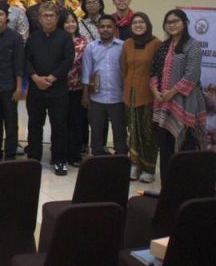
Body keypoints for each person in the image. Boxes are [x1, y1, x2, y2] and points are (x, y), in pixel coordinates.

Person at [151, 9, 207, 182]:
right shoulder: (164, 46)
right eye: (168, 22)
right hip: (163, 104)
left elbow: (192, 75)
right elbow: (154, 70)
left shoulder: (192, 45)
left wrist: (172, 92)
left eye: (175, 21)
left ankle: (183, 184)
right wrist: (155, 90)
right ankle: (167, 184)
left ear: (185, 23)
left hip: (185, 102)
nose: (172, 25)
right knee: (165, 146)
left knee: (185, 145)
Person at [24, 2, 74, 176]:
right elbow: (26, 60)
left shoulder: (65, 37)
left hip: (57, 89)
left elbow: (68, 60)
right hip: (36, 89)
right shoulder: (33, 38)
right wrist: (35, 78)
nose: (48, 19)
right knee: (34, 125)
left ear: (57, 18)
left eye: (51, 16)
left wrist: (52, 78)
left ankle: (59, 160)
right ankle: (33, 158)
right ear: (39, 18)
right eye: (45, 16)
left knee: (59, 126)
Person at [121, 12, 160, 183]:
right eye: (135, 22)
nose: (138, 25)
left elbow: (159, 70)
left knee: (148, 132)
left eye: (141, 22)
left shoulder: (156, 43)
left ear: (148, 24)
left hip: (149, 95)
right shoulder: (127, 44)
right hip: (130, 94)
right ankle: (135, 164)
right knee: (133, 131)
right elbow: (124, 68)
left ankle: (148, 168)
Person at [81, 14, 127, 158]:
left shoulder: (123, 46)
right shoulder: (91, 47)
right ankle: (98, 158)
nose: (105, 29)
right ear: (98, 28)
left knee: (120, 130)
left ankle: (120, 158)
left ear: (114, 28)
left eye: (109, 27)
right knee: (96, 130)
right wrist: (85, 95)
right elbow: (86, 72)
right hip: (96, 97)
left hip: (118, 97)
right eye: (102, 26)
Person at [0, 2, 24, 165]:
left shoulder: (15, 37)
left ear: (7, 17)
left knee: (11, 122)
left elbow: (19, 64)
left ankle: (10, 155)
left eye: (1, 14)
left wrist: (19, 88)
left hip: (9, 87)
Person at [64, 13, 89, 167]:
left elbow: (88, 67)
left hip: (78, 88)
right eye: (67, 22)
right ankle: (61, 152)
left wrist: (86, 90)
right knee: (61, 122)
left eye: (73, 21)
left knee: (77, 122)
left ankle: (75, 154)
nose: (70, 24)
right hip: (60, 89)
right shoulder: (58, 40)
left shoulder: (84, 42)